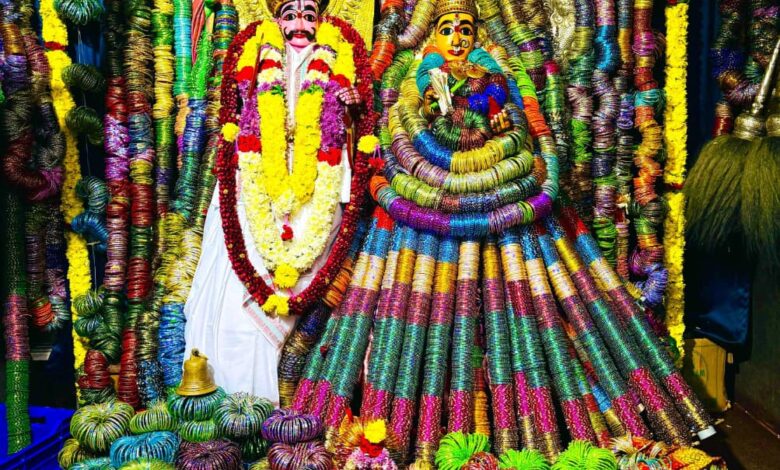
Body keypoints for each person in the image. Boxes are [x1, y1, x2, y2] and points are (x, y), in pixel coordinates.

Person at [184, 0, 365, 404]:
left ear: (321, 21)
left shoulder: (338, 57)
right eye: (289, 15)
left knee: (305, 287)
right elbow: (235, 122)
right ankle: (232, 396)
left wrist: (350, 110)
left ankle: (291, 402)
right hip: (255, 179)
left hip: (319, 178)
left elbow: (347, 130)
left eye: (308, 15)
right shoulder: (254, 54)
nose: (300, 25)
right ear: (274, 21)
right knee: (234, 292)